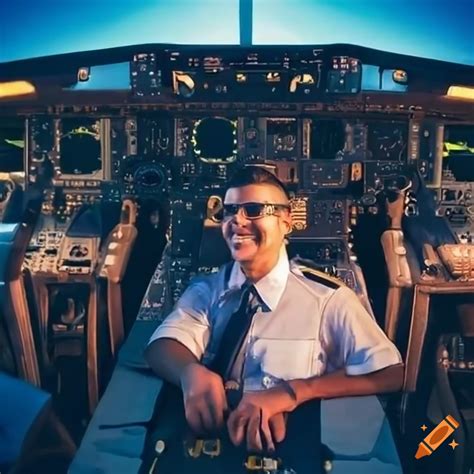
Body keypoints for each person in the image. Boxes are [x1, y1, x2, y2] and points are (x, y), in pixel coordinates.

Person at [145, 166, 403, 453]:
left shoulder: (327, 300)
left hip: (291, 446)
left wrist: (292, 393)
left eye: (254, 209)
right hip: (214, 446)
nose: (237, 221)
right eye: (230, 210)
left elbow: (389, 372)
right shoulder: (208, 290)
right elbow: (163, 345)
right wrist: (189, 372)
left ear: (286, 221)